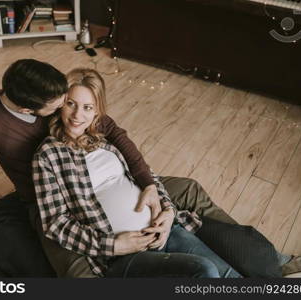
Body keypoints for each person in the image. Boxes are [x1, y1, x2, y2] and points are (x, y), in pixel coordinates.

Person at [0, 59, 301, 278]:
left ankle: (271, 263)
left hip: (147, 224)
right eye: (64, 105)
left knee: (191, 199)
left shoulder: (80, 118)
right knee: (78, 274)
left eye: (85, 107)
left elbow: (118, 137)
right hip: (54, 205)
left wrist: (154, 191)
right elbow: (54, 218)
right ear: (33, 108)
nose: (71, 112)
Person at [33, 68, 247, 278]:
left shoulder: (105, 141)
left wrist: (168, 212)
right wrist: (113, 245)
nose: (77, 115)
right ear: (61, 103)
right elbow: (55, 223)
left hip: (164, 232)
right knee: (204, 270)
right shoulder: (48, 155)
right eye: (71, 104)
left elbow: (149, 177)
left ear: (97, 111)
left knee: (228, 275)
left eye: (88, 107)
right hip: (125, 256)